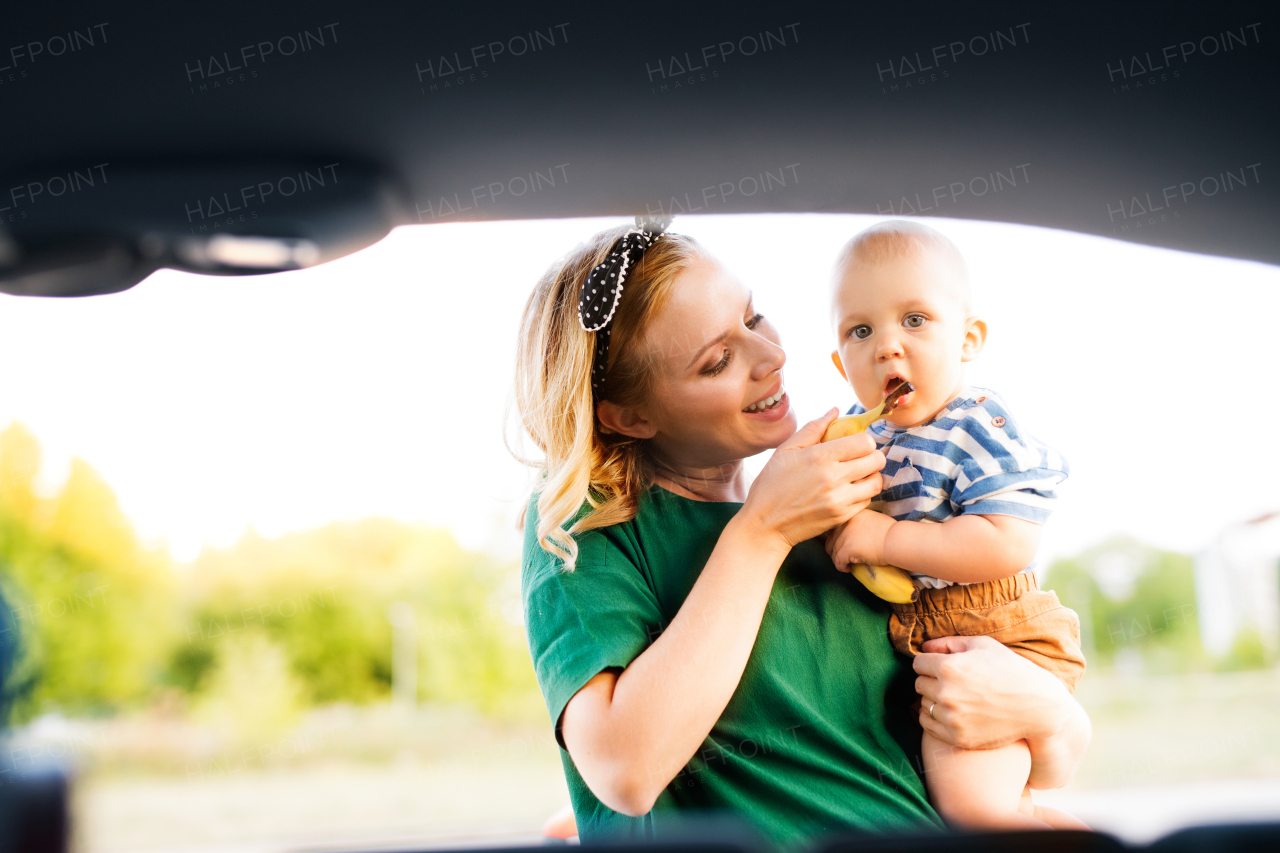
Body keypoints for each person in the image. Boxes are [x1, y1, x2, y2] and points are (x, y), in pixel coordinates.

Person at [513, 221, 1091, 845]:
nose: (773, 357)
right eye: (718, 361)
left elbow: (985, 750)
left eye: (754, 318)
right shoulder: (585, 522)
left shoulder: (844, 503)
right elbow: (625, 771)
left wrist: (1053, 715)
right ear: (632, 415)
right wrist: (762, 531)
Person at [823, 220, 1087, 830]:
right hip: (927, 636)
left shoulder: (976, 426)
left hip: (999, 633)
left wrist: (888, 539)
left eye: (915, 320)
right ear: (841, 364)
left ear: (968, 340)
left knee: (972, 809)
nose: (888, 345)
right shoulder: (864, 433)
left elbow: (1006, 541)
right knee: (976, 804)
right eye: (861, 331)